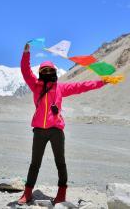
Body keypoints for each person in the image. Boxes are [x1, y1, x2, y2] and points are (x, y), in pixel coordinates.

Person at [18, 43, 108, 205]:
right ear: (40, 73)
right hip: (39, 130)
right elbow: (25, 71)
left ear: (54, 72)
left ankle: (61, 193)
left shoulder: (61, 88)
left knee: (60, 162)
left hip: (56, 131)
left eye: (50, 70)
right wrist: (26, 53)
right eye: (44, 71)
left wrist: (102, 82)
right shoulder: (35, 86)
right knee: (35, 163)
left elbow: (82, 86)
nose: (47, 73)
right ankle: (27, 193)